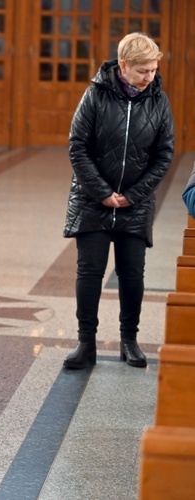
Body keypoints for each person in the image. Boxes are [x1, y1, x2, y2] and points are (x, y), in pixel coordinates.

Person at [63, 32, 174, 370]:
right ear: (123, 66)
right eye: (143, 71)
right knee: (89, 272)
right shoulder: (95, 95)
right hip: (92, 200)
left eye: (154, 70)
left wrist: (132, 196)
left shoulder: (159, 101)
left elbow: (164, 154)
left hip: (135, 205)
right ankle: (86, 343)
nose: (149, 78)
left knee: (132, 274)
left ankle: (130, 340)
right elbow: (77, 147)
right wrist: (103, 193)